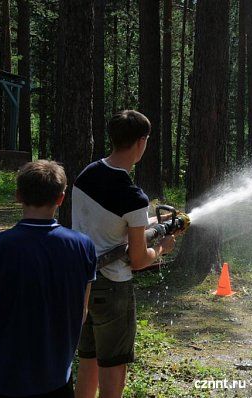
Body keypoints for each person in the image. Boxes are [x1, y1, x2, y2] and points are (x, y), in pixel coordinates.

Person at [72, 110, 176, 398]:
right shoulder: (132, 196)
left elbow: (110, 228)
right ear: (141, 142)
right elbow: (139, 259)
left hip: (82, 283)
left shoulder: (87, 174)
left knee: (88, 361)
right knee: (114, 369)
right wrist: (161, 248)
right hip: (112, 288)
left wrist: (156, 224)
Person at [0, 160, 96, 398]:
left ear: (17, 195)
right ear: (61, 198)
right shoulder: (84, 246)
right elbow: (81, 313)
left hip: (1, 378)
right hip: (55, 377)